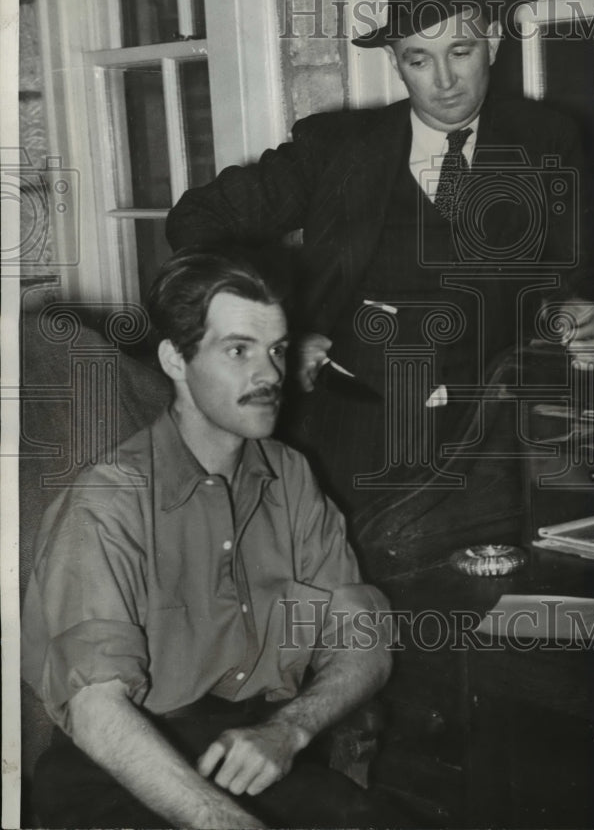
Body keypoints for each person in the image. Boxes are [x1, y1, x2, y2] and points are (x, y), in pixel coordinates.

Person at [166, 0, 594, 578]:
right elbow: (197, 222)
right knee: (352, 610)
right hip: (351, 438)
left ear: (491, 41)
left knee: (486, 625)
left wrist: (586, 307)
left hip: (492, 441)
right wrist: (278, 335)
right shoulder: (334, 149)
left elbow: (590, 268)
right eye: (418, 59)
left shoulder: (547, 140)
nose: (444, 82)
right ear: (395, 61)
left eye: (460, 52)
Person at [21, 247, 393, 829]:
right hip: (123, 773)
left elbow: (365, 640)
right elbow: (97, 711)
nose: (269, 374)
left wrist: (288, 728)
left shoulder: (291, 477)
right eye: (238, 350)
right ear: (175, 359)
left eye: (275, 350)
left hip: (250, 753)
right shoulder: (108, 504)